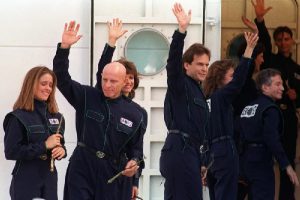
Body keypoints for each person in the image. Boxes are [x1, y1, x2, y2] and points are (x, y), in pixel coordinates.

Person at [53, 21, 147, 200]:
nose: (107, 85)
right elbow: (62, 78)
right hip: (82, 167)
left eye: (113, 81)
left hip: (111, 174)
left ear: (124, 82)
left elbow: (136, 149)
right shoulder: (88, 96)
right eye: (105, 80)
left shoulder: (135, 114)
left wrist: (134, 165)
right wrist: (64, 47)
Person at [247, 1, 300, 198]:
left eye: (287, 38)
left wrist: (297, 97)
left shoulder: (297, 68)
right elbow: (265, 43)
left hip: (289, 118)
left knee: (288, 158)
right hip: (271, 114)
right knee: (267, 156)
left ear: (293, 40)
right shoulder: (271, 60)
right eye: (280, 39)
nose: (284, 42)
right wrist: (260, 20)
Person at [159, 3, 210, 199]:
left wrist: (203, 160)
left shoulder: (199, 91)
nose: (204, 68)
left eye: (206, 64)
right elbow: (172, 62)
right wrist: (181, 31)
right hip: (179, 151)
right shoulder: (180, 84)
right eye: (199, 64)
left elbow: (201, 129)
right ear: (186, 65)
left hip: (192, 153)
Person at [202, 32, 258, 200]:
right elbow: (240, 80)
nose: (233, 80)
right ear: (220, 79)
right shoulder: (222, 96)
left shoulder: (205, 102)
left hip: (210, 153)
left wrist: (203, 163)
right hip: (225, 150)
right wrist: (249, 50)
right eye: (230, 76)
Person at [95, 18, 146, 200]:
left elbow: (137, 149)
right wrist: (111, 42)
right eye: (125, 77)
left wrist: (135, 181)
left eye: (132, 78)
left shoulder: (139, 113)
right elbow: (102, 69)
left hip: (123, 175)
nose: (128, 81)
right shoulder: (101, 100)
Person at [3, 66, 66, 200]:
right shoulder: (17, 117)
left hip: (50, 179)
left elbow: (60, 143)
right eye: (43, 84)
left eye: (51, 85)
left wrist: (62, 151)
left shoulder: (58, 117)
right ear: (31, 84)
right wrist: (44, 146)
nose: (48, 88)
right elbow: (11, 152)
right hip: (26, 179)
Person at [238, 68, 299, 199]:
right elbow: (272, 138)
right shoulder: (270, 109)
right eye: (277, 84)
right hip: (261, 164)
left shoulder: (249, 107)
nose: (282, 88)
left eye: (282, 84)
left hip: (242, 164)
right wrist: (287, 166)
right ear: (265, 87)